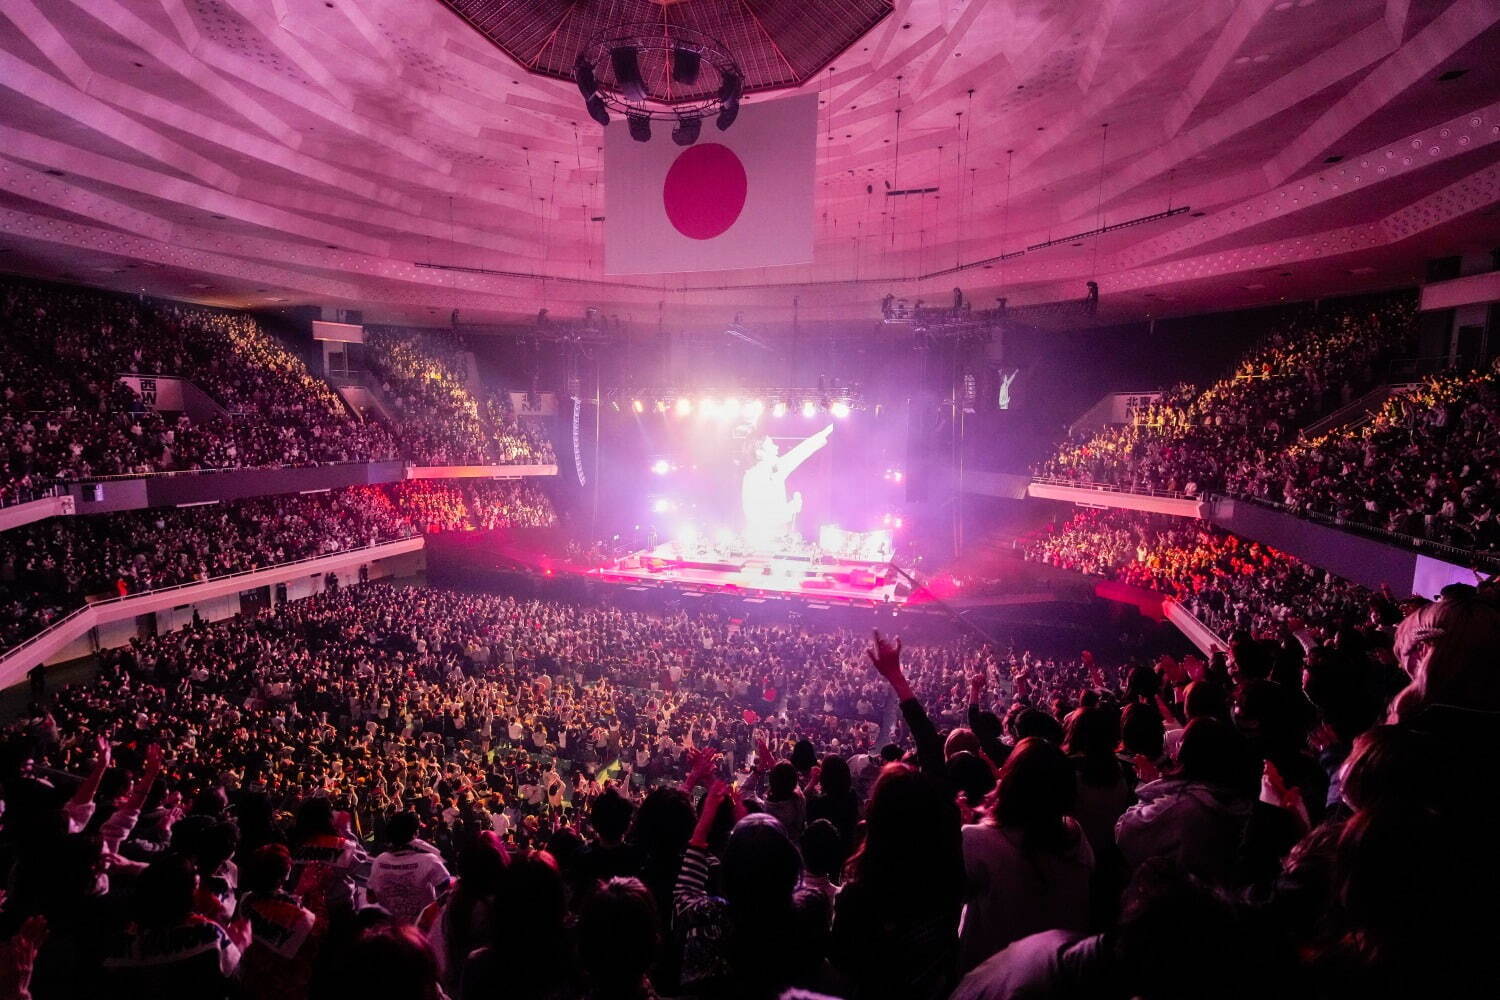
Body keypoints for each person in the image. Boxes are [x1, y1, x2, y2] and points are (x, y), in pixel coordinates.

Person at [958, 738, 1094, 972]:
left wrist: (960, 832)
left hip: (995, 975)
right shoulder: (1075, 834)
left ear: (1010, 783)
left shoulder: (976, 840)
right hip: (1060, 970)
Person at [367, 812, 451, 925]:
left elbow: (371, 898)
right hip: (422, 931)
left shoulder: (379, 861)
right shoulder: (429, 861)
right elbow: (449, 894)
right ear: (416, 833)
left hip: (391, 930)